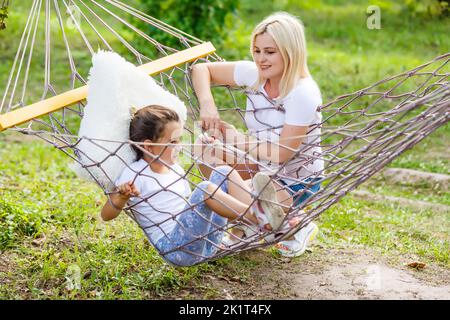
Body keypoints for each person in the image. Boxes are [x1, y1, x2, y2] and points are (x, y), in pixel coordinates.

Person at [191, 11, 323, 257]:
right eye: (257, 50)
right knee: (203, 148)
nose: (261, 59)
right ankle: (252, 219)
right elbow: (201, 69)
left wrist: (236, 139)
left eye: (270, 52)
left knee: (247, 186)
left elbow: (282, 154)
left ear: (290, 51)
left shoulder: (303, 93)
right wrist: (207, 103)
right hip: (260, 165)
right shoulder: (255, 74)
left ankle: (293, 224)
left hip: (294, 181)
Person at [100, 105, 297, 266]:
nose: (179, 146)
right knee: (204, 189)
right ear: (148, 146)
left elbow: (195, 208)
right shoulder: (135, 174)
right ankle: (258, 218)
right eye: (173, 141)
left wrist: (208, 148)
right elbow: (106, 215)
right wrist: (121, 196)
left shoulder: (175, 168)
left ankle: (257, 217)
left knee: (223, 172)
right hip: (177, 248)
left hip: (207, 242)